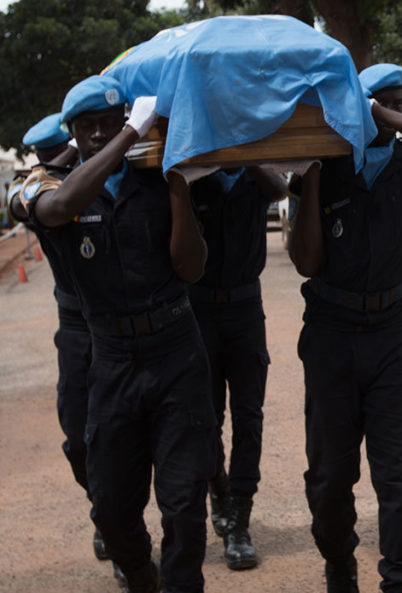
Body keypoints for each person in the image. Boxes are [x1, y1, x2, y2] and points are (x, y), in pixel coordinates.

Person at [26, 75, 216, 593]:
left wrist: (178, 188)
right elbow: (57, 210)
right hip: (110, 358)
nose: (100, 133)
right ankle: (140, 576)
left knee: (184, 504)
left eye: (111, 123)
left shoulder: (156, 180)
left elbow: (192, 268)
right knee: (110, 506)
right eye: (89, 126)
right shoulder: (51, 186)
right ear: (72, 133)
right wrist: (130, 134)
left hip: (175, 351)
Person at [288, 63, 402, 593]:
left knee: (398, 474)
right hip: (331, 332)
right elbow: (306, 261)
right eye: (377, 103)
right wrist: (310, 183)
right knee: (329, 475)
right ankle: (339, 563)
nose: (388, 112)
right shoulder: (325, 165)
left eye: (398, 103)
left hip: (393, 331)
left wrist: (382, 115)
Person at [8, 112, 111, 560]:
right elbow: (48, 196)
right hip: (75, 328)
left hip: (116, 322)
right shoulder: (35, 189)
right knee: (78, 438)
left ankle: (118, 523)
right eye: (47, 157)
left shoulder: (103, 181)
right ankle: (105, 513)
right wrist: (67, 158)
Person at [188, 166, 285, 570]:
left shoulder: (254, 176)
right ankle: (219, 487)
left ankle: (239, 521)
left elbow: (279, 189)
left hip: (245, 309)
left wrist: (246, 151)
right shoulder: (196, 177)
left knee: (249, 416)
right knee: (205, 417)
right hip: (198, 309)